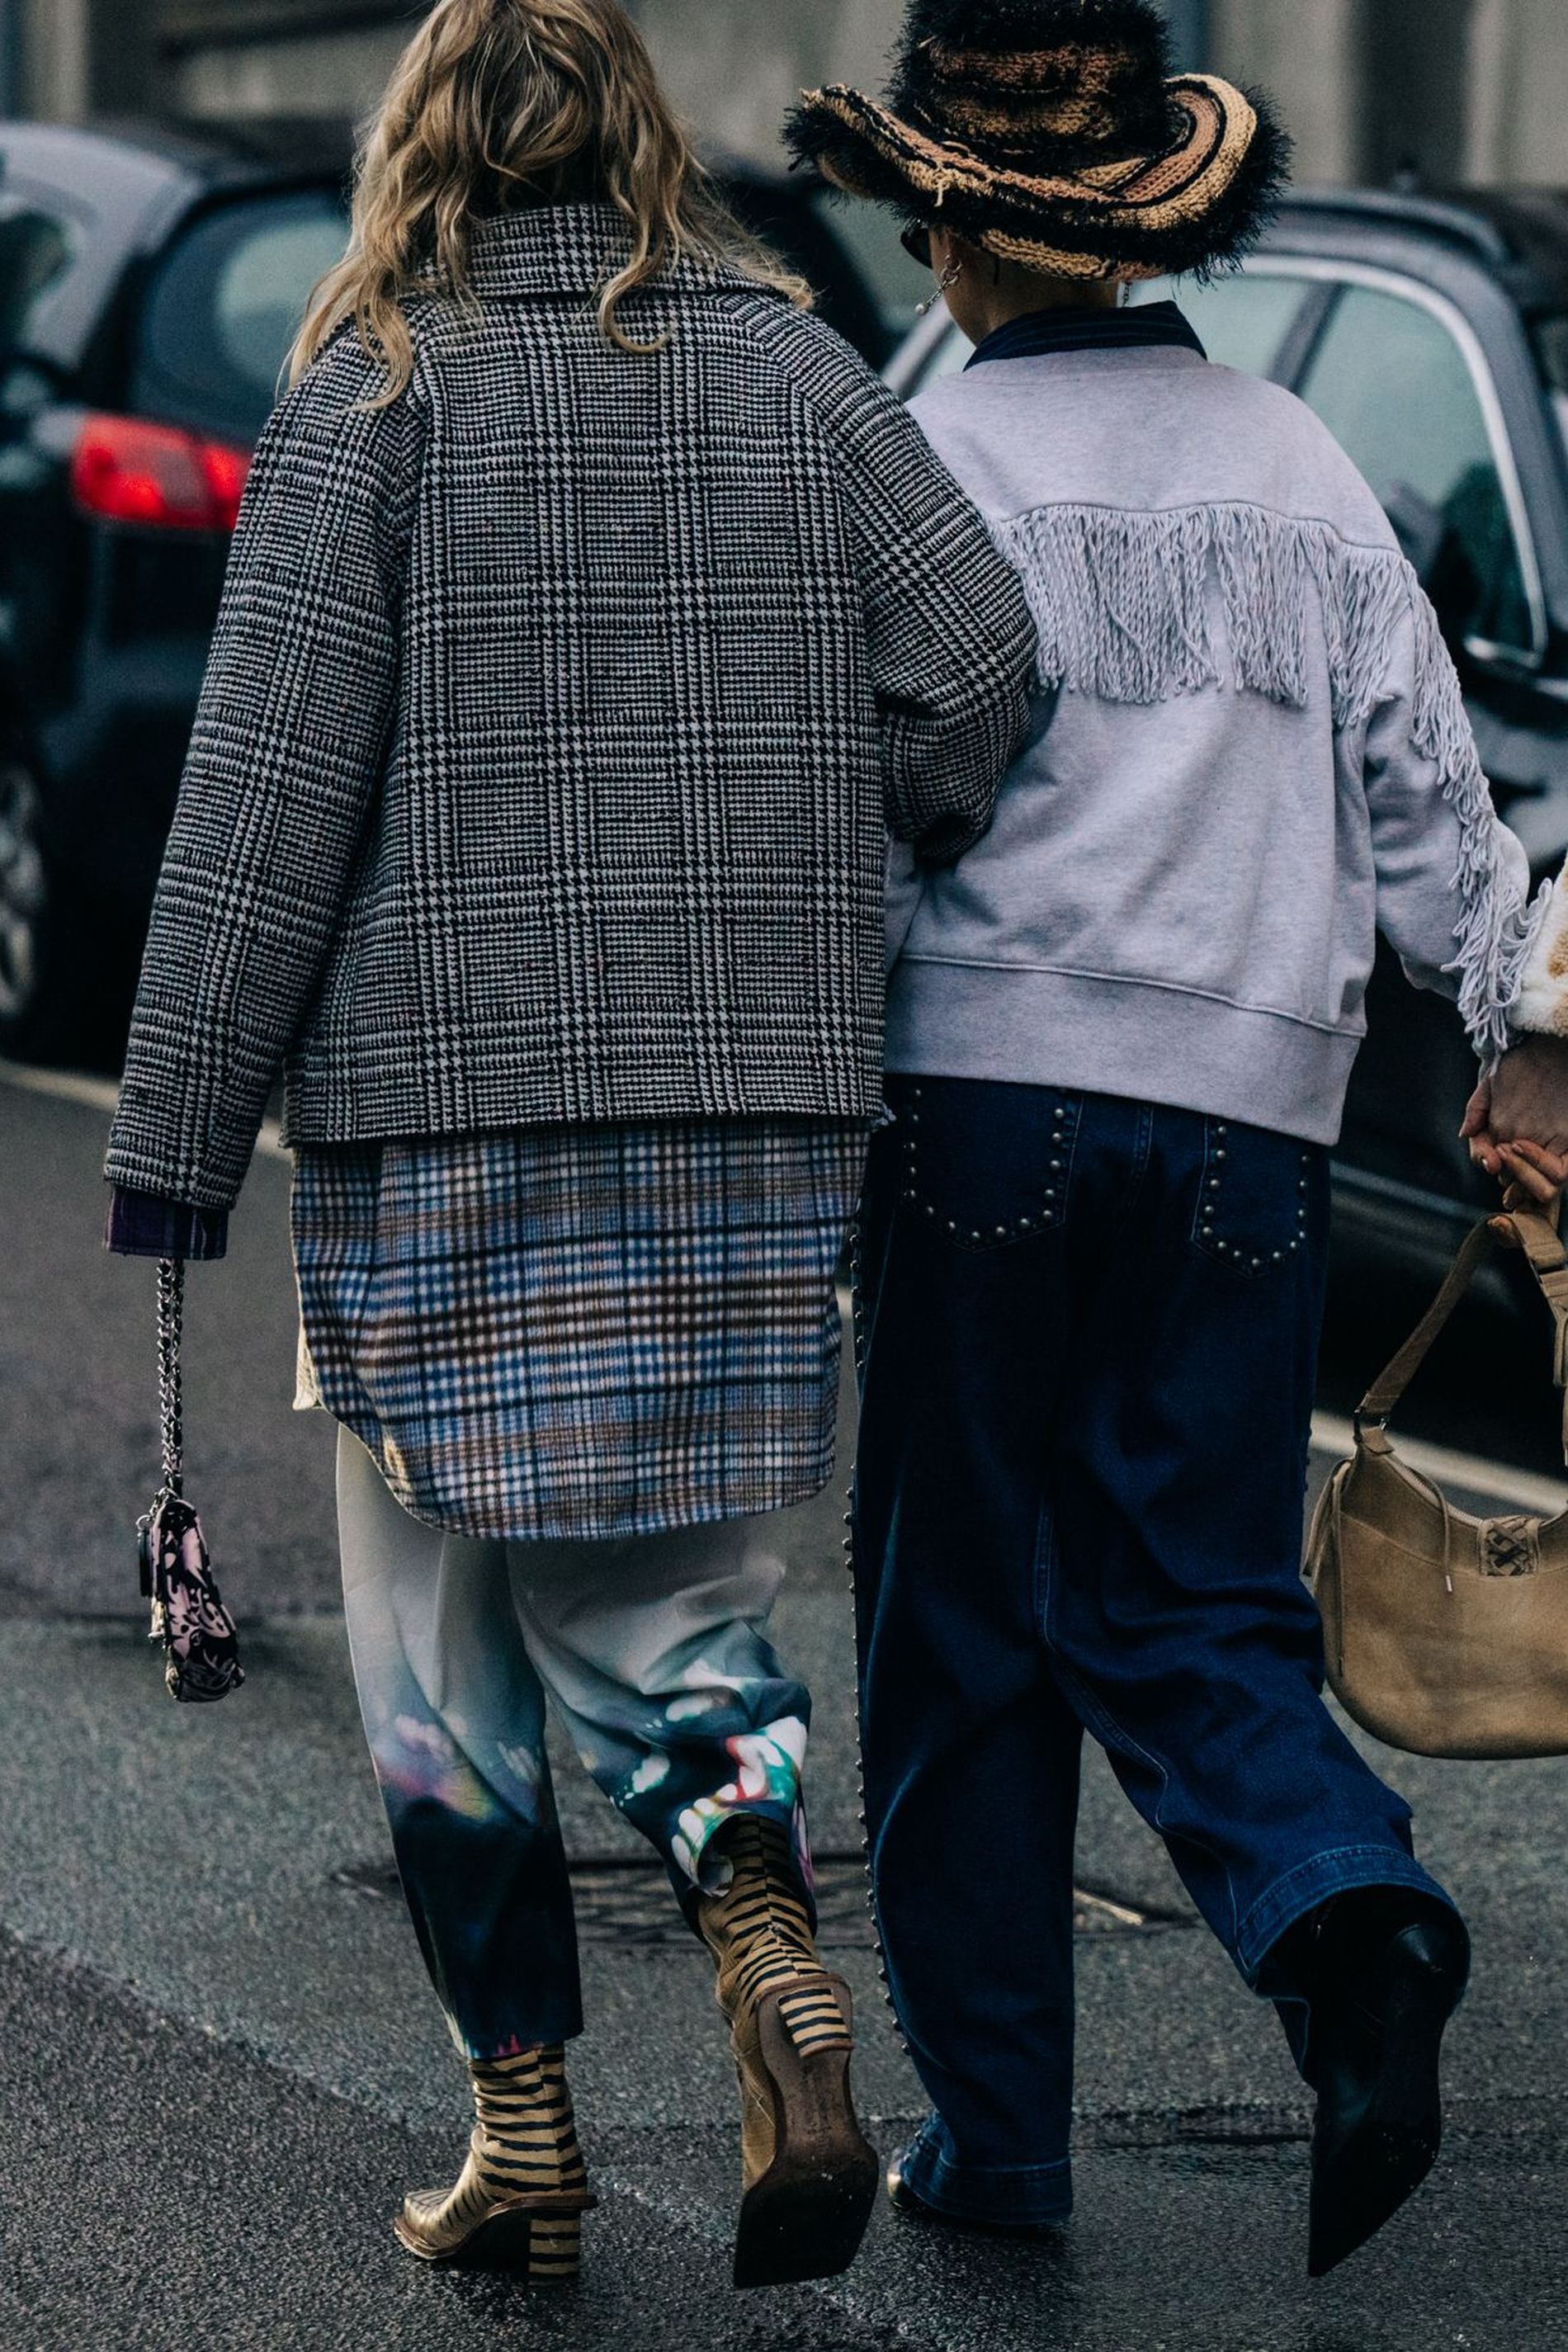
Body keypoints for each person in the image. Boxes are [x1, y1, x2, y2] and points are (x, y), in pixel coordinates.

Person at [103, 0, 1037, 2291]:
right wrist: (852, 849)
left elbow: (261, 807)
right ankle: (761, 1945)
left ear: (414, 142)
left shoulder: (372, 396)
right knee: (673, 1586)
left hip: (446, 1108)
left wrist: (179, 1137)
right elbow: (980, 662)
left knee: (436, 1634)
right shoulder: (802, 373)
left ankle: (523, 2116)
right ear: (640, 135)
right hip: (747, 1107)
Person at [789, 0, 1568, 2280]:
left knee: (959, 1628)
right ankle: (1342, 1910)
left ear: (945, 220)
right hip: (1248, 1127)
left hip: (974, 1099)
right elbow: (1433, 808)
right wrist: (1513, 1032)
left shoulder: (916, 453)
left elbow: (844, 793)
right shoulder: (1296, 466)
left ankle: (1002, 2141)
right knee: (1193, 1594)